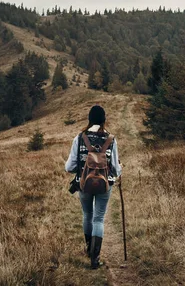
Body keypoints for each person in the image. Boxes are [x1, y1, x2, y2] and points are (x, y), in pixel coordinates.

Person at [65, 105, 121, 269]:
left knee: (87, 214)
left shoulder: (80, 138)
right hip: (105, 185)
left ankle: (89, 250)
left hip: (84, 184)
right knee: (98, 218)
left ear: (89, 119)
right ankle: (95, 259)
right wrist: (119, 167)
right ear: (104, 120)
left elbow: (69, 167)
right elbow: (116, 170)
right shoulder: (111, 139)